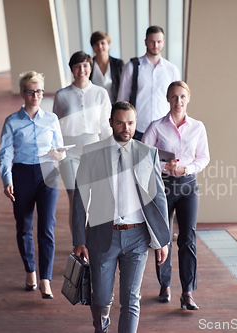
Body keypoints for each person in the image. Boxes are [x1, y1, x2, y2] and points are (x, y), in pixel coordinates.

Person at [72, 101, 170, 333]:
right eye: (120, 122)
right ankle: (101, 327)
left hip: (137, 236)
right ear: (111, 123)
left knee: (131, 300)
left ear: (136, 123)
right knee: (101, 300)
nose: (126, 128)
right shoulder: (92, 153)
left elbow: (159, 199)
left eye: (130, 123)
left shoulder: (148, 153)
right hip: (102, 236)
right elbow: (80, 199)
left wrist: (162, 240)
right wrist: (79, 239)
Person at [0, 71, 67, 299]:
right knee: (24, 226)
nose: (35, 95)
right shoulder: (12, 121)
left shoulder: (51, 119)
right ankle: (31, 270)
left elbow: (60, 149)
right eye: (31, 91)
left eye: (39, 91)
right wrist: (7, 179)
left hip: (47, 174)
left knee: (47, 228)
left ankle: (46, 279)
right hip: (22, 174)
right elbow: (5, 154)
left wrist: (58, 155)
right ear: (23, 93)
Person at [142, 81, 210, 310]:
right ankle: (165, 285)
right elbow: (144, 157)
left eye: (182, 97)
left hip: (188, 187)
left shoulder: (198, 127)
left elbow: (203, 158)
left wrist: (186, 169)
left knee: (187, 238)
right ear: (167, 99)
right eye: (174, 97)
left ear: (188, 98)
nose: (178, 101)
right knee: (163, 237)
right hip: (162, 187)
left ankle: (188, 292)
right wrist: (165, 167)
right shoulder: (156, 127)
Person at [53, 51, 112, 234]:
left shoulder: (100, 93)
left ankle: (91, 241)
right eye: (77, 66)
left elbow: (105, 125)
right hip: (69, 153)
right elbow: (55, 127)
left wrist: (113, 147)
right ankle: (79, 244)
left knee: (93, 197)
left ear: (90, 67)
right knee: (76, 198)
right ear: (71, 69)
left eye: (85, 65)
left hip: (94, 151)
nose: (81, 70)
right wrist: (57, 151)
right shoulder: (61, 95)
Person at [117, 26, 180, 141]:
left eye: (159, 42)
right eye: (152, 41)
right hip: (137, 130)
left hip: (164, 130)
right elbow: (122, 100)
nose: (155, 45)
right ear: (146, 42)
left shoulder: (172, 70)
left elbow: (178, 100)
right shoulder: (131, 67)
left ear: (163, 43)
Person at [89, 31, 124, 104]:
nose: (100, 47)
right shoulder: (89, 65)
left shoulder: (118, 64)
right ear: (92, 47)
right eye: (96, 44)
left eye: (102, 43)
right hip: (94, 106)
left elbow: (124, 87)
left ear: (109, 45)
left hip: (115, 106)